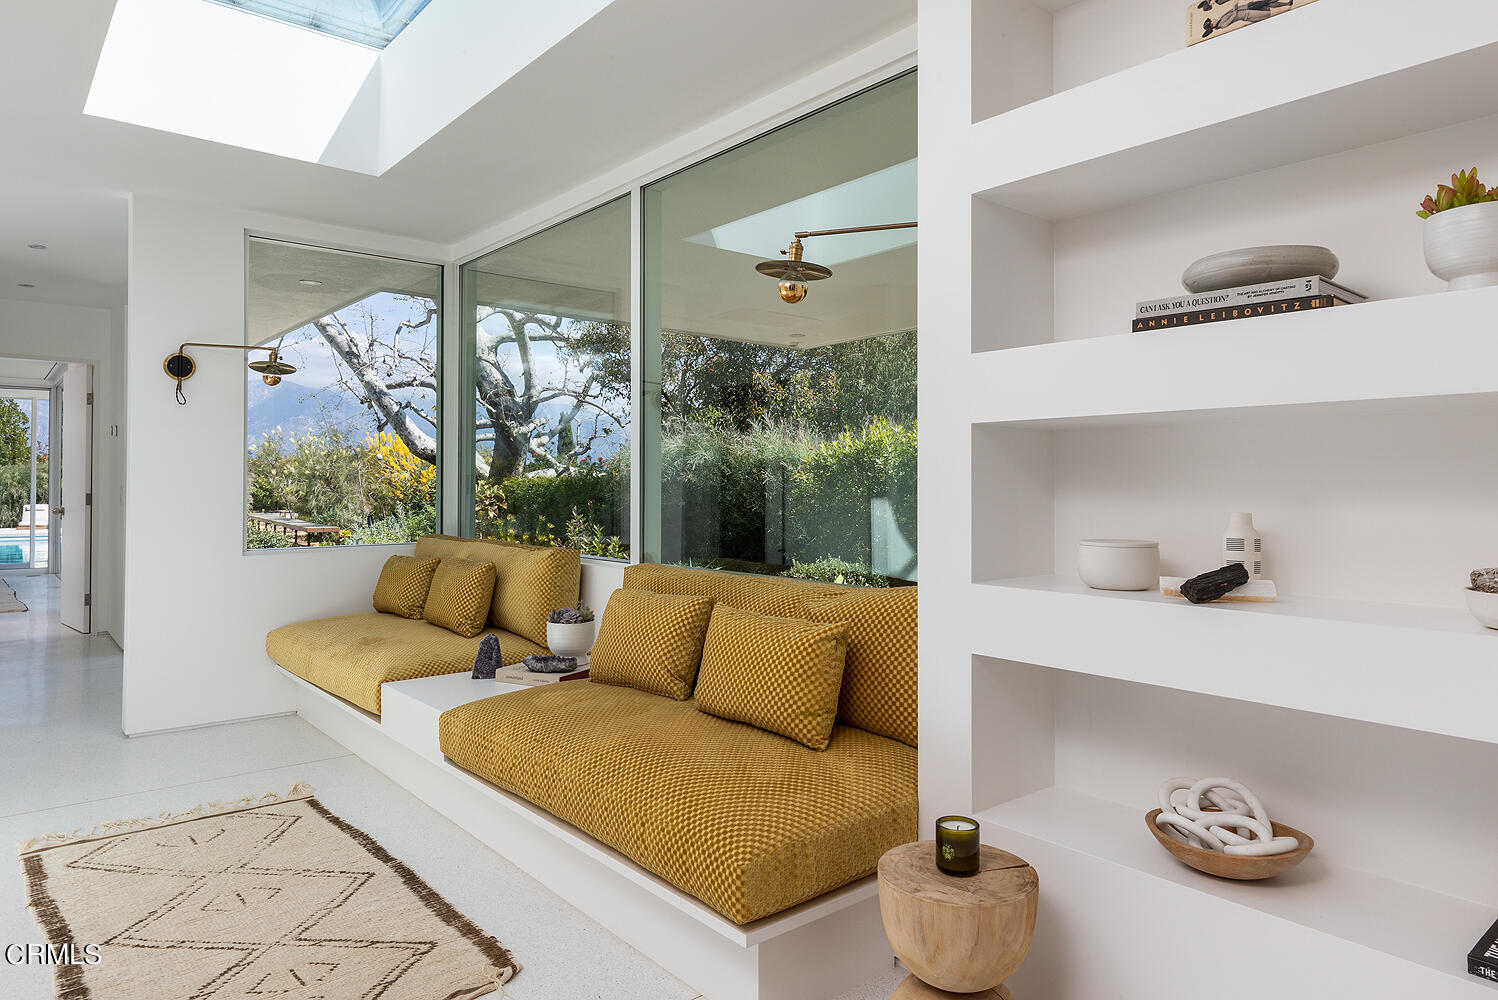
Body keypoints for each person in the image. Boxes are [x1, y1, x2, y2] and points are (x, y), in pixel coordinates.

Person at [1202, 0, 1296, 38]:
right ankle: (1288, 8)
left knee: (1266, 2)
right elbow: (1234, 15)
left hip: (1246, 7)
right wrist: (1235, 4)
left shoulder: (1219, 20)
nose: (1212, 19)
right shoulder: (1222, 25)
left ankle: (1287, 3)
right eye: (1211, 21)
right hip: (1248, 14)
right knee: (1269, 12)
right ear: (1212, 25)